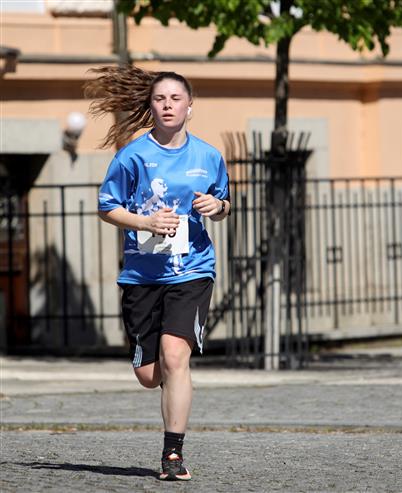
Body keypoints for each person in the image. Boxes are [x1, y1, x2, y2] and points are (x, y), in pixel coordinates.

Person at [86, 66, 230, 481]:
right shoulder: (132, 156)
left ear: (189, 106)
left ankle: (172, 455)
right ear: (151, 106)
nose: (168, 105)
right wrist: (144, 222)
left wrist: (217, 207)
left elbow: (223, 203)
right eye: (160, 99)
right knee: (150, 375)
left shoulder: (208, 156)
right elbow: (107, 207)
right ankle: (164, 378)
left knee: (174, 355)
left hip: (192, 270)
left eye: (175, 99)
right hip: (142, 276)